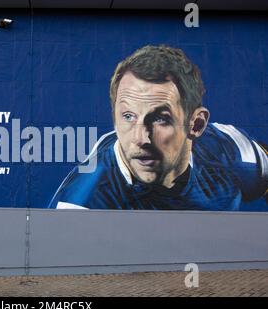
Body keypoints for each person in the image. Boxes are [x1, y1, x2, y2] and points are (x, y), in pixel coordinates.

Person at [49, 45, 268, 210]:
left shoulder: (230, 152)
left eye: (161, 119)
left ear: (197, 124)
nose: (141, 137)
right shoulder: (82, 202)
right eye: (128, 116)